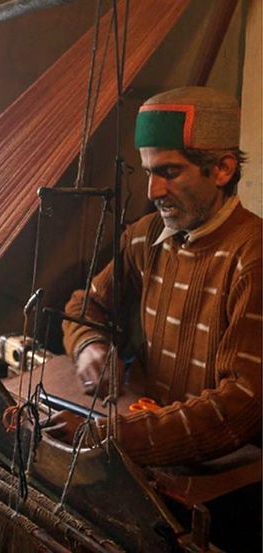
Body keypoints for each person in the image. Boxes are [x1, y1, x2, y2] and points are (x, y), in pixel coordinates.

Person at [60, 86, 262, 467]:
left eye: (170, 172)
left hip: (224, 474)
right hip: (153, 444)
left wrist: (111, 435)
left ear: (222, 169)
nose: (154, 191)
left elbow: (241, 405)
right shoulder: (146, 235)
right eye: (150, 172)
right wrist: (90, 346)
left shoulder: (253, 256)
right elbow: (86, 305)